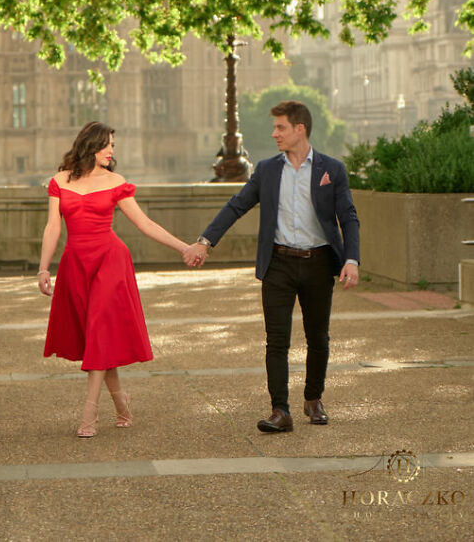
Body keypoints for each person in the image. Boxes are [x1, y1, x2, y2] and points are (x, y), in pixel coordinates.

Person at [183, 100, 360, 433]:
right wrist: (204, 242)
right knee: (276, 340)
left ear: (299, 129)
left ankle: (313, 398)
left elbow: (348, 217)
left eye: (281, 127)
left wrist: (351, 259)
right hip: (278, 264)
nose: (274, 133)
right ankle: (280, 410)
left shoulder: (331, 170)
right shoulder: (267, 170)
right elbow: (236, 206)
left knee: (318, 337)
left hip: (319, 263)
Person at [38, 121, 195, 438]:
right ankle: (122, 402)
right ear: (91, 145)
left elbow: (145, 224)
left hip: (110, 262)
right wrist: (43, 269)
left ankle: (89, 414)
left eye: (113, 145)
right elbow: (53, 227)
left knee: (98, 330)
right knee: (96, 337)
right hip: (75, 264)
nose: (111, 150)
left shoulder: (115, 181)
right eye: (107, 144)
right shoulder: (60, 181)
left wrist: (184, 247)